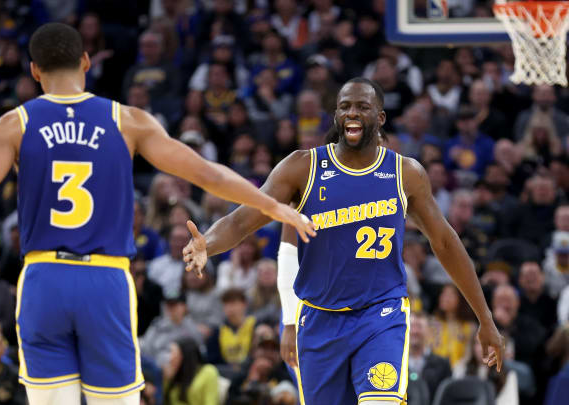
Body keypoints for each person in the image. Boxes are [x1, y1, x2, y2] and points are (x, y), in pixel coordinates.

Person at [0, 22, 314, 405]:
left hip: (43, 279)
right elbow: (206, 173)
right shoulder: (127, 120)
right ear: (86, 62)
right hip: (105, 280)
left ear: (34, 71)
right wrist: (271, 204)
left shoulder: (14, 125)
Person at [183, 78, 505, 405]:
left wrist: (485, 318)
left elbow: (446, 243)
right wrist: (206, 243)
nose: (352, 113)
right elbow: (242, 219)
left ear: (379, 118)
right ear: (336, 115)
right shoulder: (302, 168)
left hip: (381, 314)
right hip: (320, 319)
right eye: (345, 106)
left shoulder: (404, 173)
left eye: (362, 107)